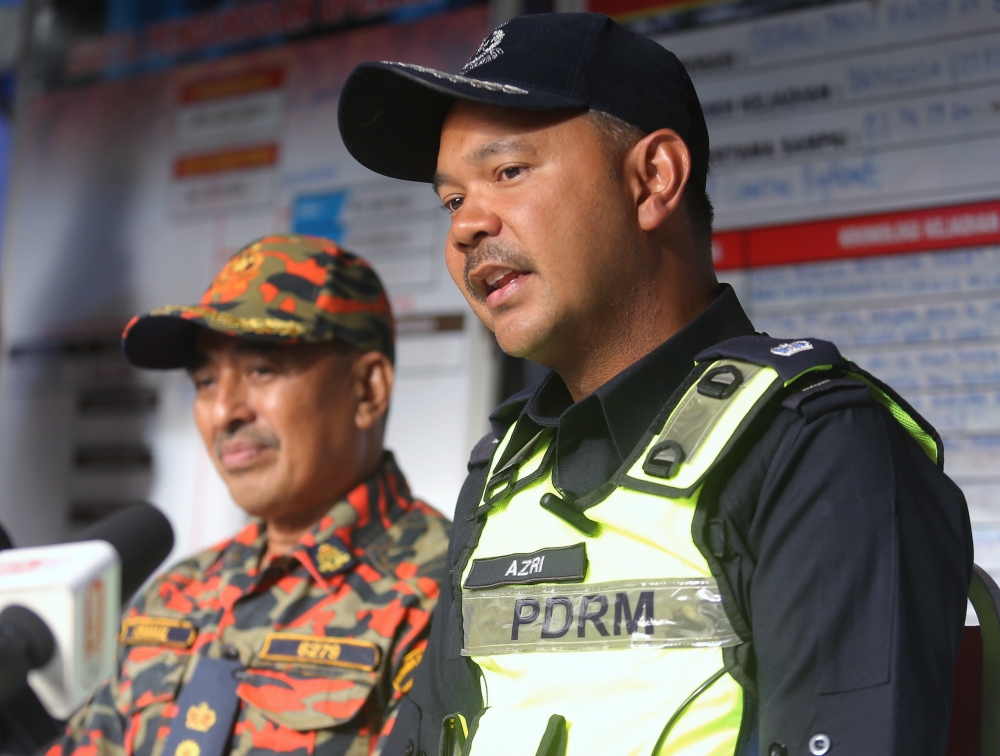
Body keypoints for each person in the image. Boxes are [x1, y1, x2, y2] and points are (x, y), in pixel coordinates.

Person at [336, 13, 973, 756]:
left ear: (652, 180)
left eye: (508, 172)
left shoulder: (816, 444)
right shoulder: (503, 468)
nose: (466, 226)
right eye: (451, 200)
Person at [48, 235, 450, 756]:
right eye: (205, 381)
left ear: (367, 389)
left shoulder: (445, 591)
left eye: (261, 370)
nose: (224, 412)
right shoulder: (175, 594)